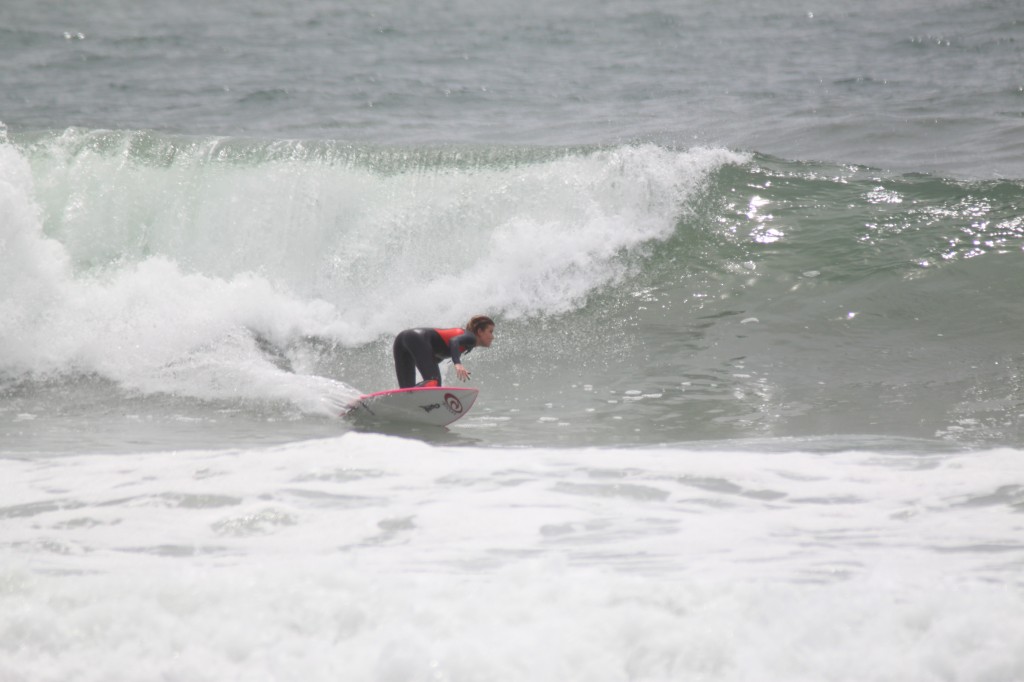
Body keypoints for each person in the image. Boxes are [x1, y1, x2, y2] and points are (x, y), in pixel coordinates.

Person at [392, 315, 495, 389]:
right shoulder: (470, 337)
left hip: (402, 340)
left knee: (406, 391)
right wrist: (457, 364)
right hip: (417, 338)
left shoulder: (465, 345)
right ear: (480, 332)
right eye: (490, 331)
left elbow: (431, 356)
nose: (492, 337)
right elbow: (453, 341)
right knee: (434, 384)